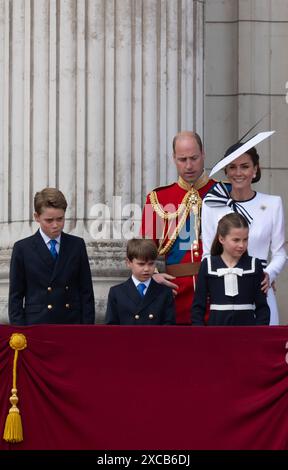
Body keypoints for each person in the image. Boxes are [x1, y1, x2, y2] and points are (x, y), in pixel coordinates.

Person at [201, 133, 287, 325]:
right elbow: (207, 254)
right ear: (226, 171)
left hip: (259, 289)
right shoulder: (211, 204)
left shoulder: (272, 204)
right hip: (223, 294)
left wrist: (268, 275)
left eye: (245, 166)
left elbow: (280, 253)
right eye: (232, 167)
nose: (238, 172)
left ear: (255, 170)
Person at [141, 131, 216, 324]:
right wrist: (154, 275)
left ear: (203, 154)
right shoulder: (158, 199)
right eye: (182, 159)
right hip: (176, 293)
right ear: (174, 159)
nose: (189, 165)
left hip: (216, 291)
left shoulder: (222, 192)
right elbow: (144, 249)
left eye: (194, 158)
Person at [9, 187, 95, 325]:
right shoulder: (22, 248)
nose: (55, 225)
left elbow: (86, 292)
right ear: (37, 217)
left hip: (71, 323)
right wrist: (20, 331)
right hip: (37, 324)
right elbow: (16, 297)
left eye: (60, 219)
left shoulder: (76, 245)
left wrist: (87, 329)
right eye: (49, 220)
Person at [192, 213, 270, 325]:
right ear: (221, 239)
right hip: (216, 332)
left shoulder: (254, 265)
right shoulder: (207, 265)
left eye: (245, 239)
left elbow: (262, 308)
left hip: (247, 333)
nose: (242, 245)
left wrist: (258, 334)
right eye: (236, 240)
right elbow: (198, 307)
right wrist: (200, 334)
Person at [105, 238, 175, 325]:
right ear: (128, 262)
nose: (146, 269)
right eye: (141, 264)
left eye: (151, 264)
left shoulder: (164, 292)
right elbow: (111, 327)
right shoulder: (117, 292)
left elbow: (169, 328)